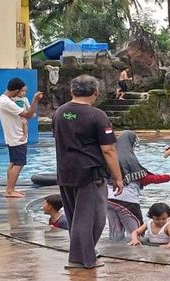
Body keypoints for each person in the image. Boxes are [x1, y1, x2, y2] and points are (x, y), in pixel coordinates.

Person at [52, 75, 124, 269]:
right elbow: (108, 149)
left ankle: (84, 252)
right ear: (95, 92)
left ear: (72, 91)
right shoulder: (97, 115)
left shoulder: (60, 113)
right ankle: (80, 259)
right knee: (94, 218)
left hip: (65, 172)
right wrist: (117, 177)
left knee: (76, 216)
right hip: (90, 174)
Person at [107, 130, 170, 241]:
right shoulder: (129, 159)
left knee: (115, 233)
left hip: (107, 199)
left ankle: (115, 252)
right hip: (127, 200)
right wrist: (168, 177)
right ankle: (137, 254)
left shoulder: (109, 157)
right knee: (137, 233)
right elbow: (145, 179)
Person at [0, 77, 42, 198]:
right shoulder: (7, 102)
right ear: (16, 90)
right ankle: (10, 190)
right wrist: (35, 100)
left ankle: (10, 188)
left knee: (13, 162)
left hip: (13, 136)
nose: (22, 93)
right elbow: (28, 114)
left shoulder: (3, 99)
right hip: (17, 136)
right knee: (19, 163)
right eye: (21, 90)